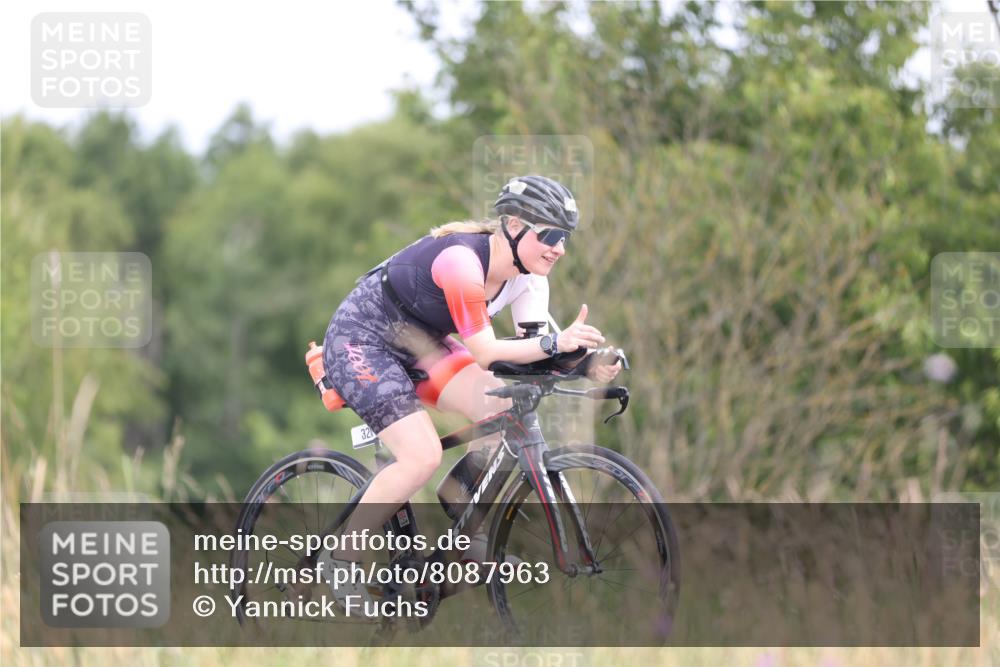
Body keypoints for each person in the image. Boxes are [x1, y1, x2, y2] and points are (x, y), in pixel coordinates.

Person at [318, 175, 622, 608]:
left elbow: (529, 354)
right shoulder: (463, 262)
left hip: (424, 344)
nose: (560, 248)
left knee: (501, 413)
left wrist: (586, 365)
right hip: (362, 339)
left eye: (565, 238)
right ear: (514, 226)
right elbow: (484, 351)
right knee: (422, 454)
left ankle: (460, 518)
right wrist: (559, 343)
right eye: (551, 235)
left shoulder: (530, 278)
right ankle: (341, 558)